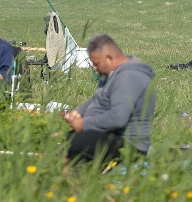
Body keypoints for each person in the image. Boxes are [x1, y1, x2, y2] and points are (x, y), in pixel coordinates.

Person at [61, 34, 156, 164]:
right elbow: (98, 99)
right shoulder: (113, 73)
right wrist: (80, 111)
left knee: (80, 141)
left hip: (130, 146)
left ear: (109, 58)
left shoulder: (129, 77)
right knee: (72, 138)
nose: (94, 68)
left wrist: (84, 124)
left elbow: (118, 118)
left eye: (96, 64)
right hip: (113, 136)